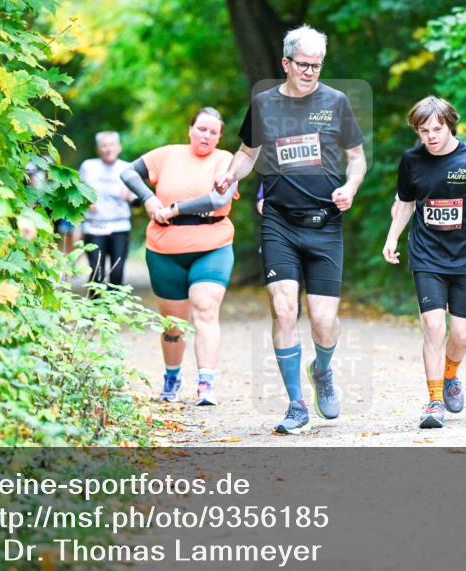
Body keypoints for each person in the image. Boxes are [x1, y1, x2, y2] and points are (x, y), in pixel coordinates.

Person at [215, 25, 367, 435]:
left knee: (323, 321)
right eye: (303, 65)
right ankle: (296, 405)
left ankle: (322, 370)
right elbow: (247, 154)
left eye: (317, 65)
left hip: (325, 224)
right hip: (279, 221)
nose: (311, 72)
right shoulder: (264, 104)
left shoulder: (335, 102)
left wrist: (350, 187)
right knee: (284, 309)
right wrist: (230, 174)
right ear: (286, 63)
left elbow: (357, 158)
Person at [382, 96, 466, 429]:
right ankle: (434, 400)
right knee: (434, 327)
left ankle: (451, 375)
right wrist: (392, 238)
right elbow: (405, 203)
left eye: (437, 129)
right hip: (426, 254)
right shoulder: (411, 161)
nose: (431, 136)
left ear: (450, 125)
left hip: (464, 256)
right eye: (423, 131)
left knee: (461, 335)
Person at [121, 108, 237, 406]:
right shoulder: (168, 154)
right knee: (173, 323)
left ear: (219, 136)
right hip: (164, 249)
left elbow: (219, 198)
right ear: (190, 130)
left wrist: (175, 209)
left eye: (213, 132)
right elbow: (128, 172)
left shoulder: (226, 160)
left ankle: (206, 383)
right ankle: (172, 377)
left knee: (205, 307)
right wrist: (148, 198)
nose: (206, 136)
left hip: (212, 245)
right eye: (201, 129)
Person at [79, 132, 136, 294]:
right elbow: (76, 192)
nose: (108, 149)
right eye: (104, 145)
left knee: (117, 273)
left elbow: (138, 200)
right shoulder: (88, 166)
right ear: (98, 149)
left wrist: (130, 197)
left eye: (112, 145)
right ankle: (94, 308)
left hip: (120, 227)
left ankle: (113, 308)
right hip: (95, 227)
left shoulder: (127, 168)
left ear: (119, 148)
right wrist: (85, 202)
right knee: (97, 273)